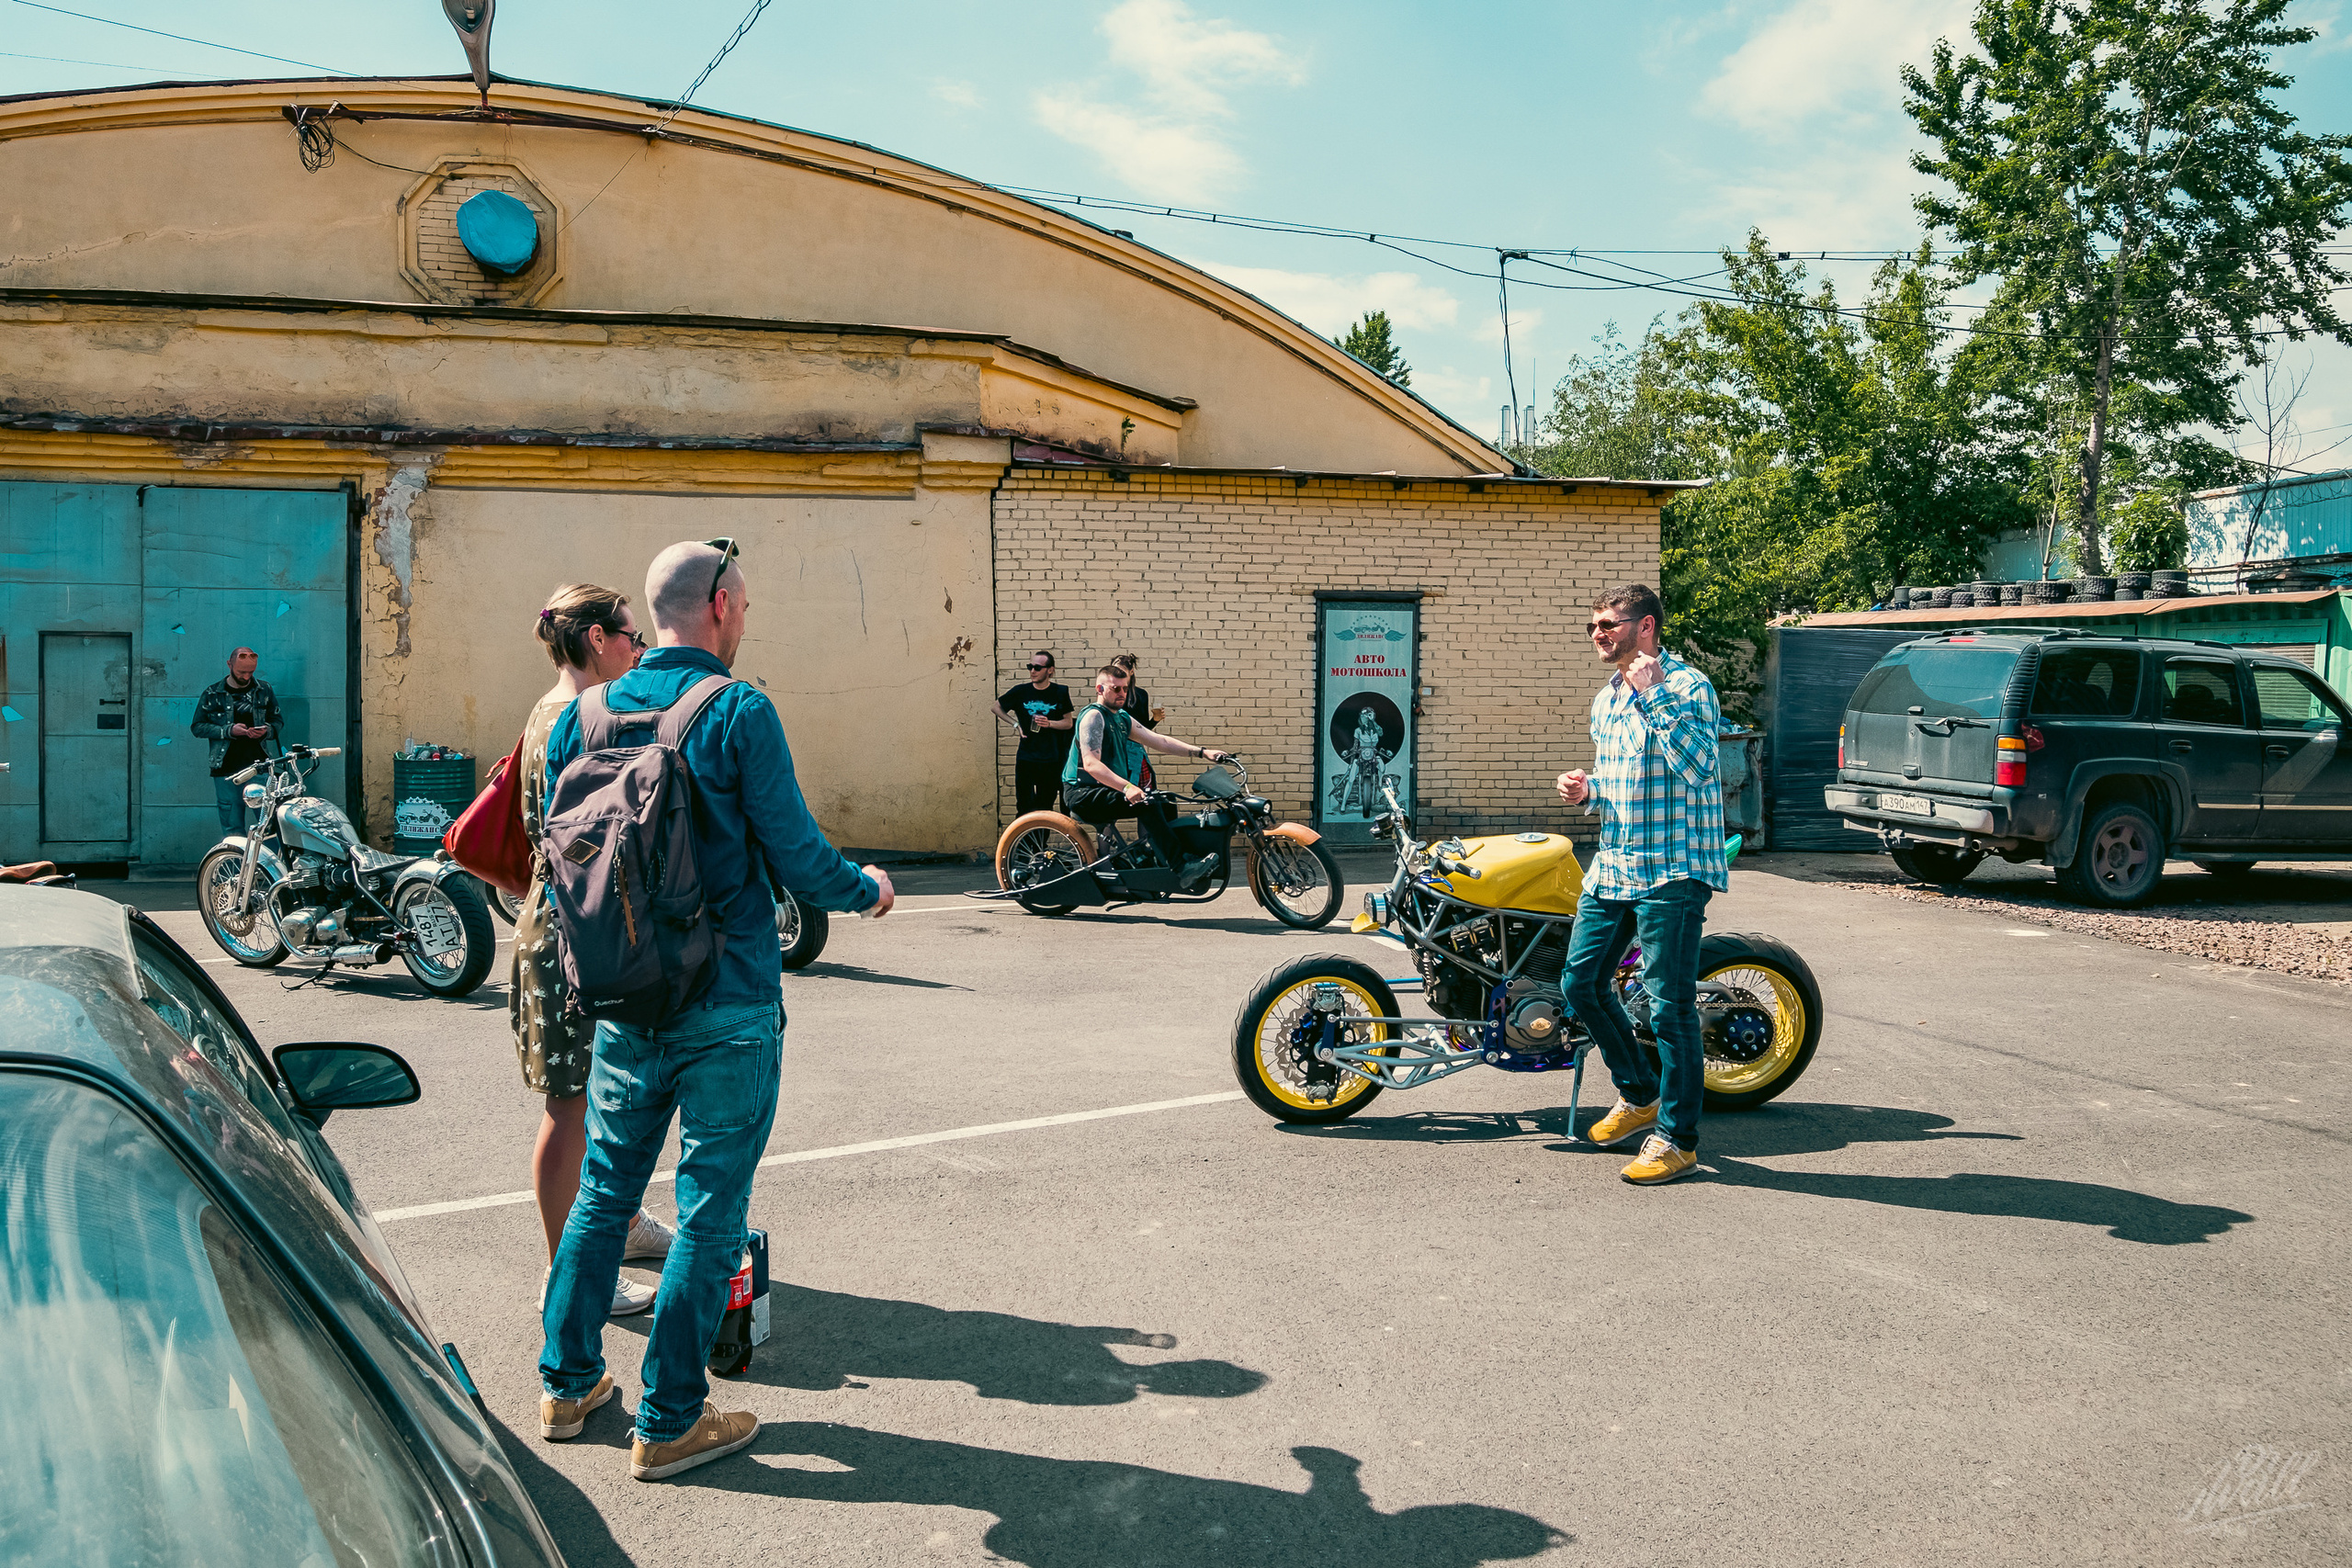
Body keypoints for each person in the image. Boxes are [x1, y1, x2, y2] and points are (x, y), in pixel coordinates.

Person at [537, 537, 896, 1483]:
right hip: (728, 997)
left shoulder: (579, 716)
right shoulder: (737, 710)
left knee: (606, 1194)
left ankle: (569, 1387)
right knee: (708, 1213)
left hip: (621, 995)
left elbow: (560, 851)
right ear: (724, 605)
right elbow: (798, 858)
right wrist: (866, 890)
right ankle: (669, 1420)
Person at [514, 585, 673, 1320]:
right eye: (632, 636)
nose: (640, 649)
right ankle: (570, 1268)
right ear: (598, 639)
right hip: (571, 928)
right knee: (571, 1103)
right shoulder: (571, 718)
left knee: (604, 1096)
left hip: (577, 921)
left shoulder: (556, 713)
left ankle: (623, 1223)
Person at [1553, 583, 1727, 1187]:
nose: (1597, 633)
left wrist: (1653, 693)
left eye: (1608, 623)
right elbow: (1624, 781)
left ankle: (1677, 1139)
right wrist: (1588, 790)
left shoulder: (1687, 686)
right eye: (1592, 626)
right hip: (1616, 865)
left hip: (1673, 871)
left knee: (1670, 1007)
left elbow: (1703, 768)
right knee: (1579, 982)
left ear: (1645, 626)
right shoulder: (1606, 699)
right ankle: (1639, 1092)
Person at [1059, 662, 1231, 891]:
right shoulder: (1093, 716)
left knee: (1163, 800)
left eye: (1125, 688)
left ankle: (1164, 861)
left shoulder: (1121, 718)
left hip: (1105, 788)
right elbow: (1091, 764)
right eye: (1116, 689)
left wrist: (1202, 752)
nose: (1123, 694)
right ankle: (1181, 868)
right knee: (1147, 804)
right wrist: (1128, 787)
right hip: (1082, 792)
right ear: (1100, 689)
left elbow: (1159, 741)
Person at [190, 647, 284, 833]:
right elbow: (197, 727)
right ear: (229, 664)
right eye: (242, 672)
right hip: (226, 769)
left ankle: (266, 863)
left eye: (251, 672)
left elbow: (277, 721)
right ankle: (236, 862)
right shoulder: (212, 694)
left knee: (269, 828)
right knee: (233, 828)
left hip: (259, 767)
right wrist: (229, 731)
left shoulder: (264, 689)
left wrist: (266, 730)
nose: (247, 677)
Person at [993, 650, 1074, 815]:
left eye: (1037, 667)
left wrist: (1049, 723)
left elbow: (1068, 723)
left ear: (1050, 670)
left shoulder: (1060, 692)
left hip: (1051, 759)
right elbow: (996, 707)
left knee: (1045, 806)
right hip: (1027, 757)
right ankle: (1025, 840)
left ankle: (1040, 841)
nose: (1032, 671)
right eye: (1030, 667)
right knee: (1024, 806)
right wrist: (1015, 724)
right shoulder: (1021, 691)